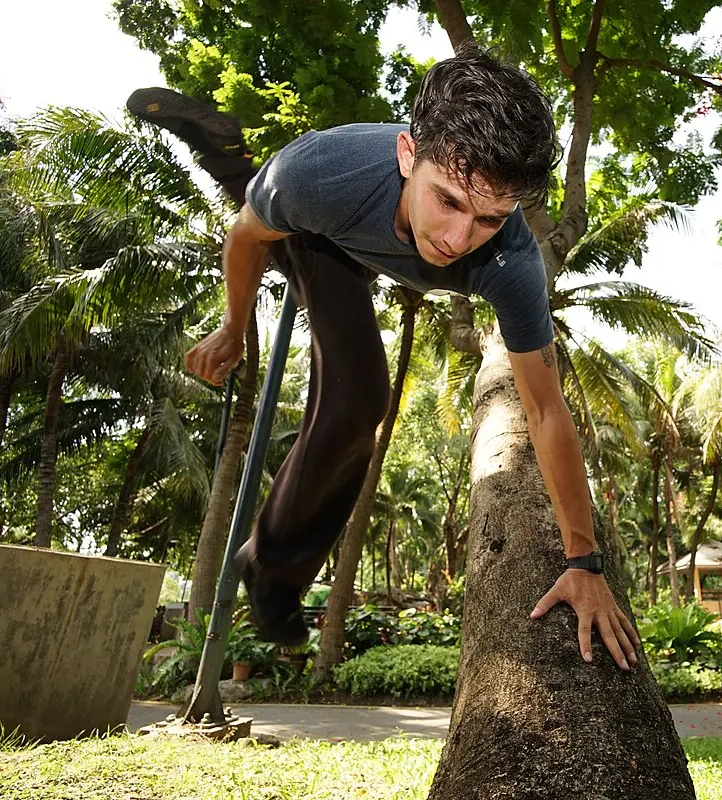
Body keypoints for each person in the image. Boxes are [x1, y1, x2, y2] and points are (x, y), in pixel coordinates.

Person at [127, 45, 639, 672]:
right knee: (348, 378)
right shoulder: (326, 172)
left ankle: (230, 153)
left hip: (347, 244)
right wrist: (233, 330)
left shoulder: (511, 263)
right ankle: (221, 152)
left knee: (358, 403)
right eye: (447, 200)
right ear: (406, 154)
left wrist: (583, 562)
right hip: (323, 236)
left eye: (487, 218)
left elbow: (545, 410)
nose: (456, 240)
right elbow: (246, 236)